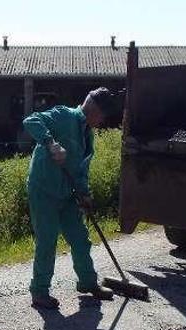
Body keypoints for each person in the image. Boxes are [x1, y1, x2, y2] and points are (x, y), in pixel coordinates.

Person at [22, 88, 118, 309]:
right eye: (103, 117)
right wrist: (50, 143)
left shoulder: (88, 134)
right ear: (93, 109)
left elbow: (81, 168)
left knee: (80, 239)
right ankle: (39, 292)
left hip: (68, 194)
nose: (102, 123)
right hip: (44, 190)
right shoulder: (63, 115)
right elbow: (31, 120)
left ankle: (88, 283)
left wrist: (84, 194)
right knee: (47, 241)